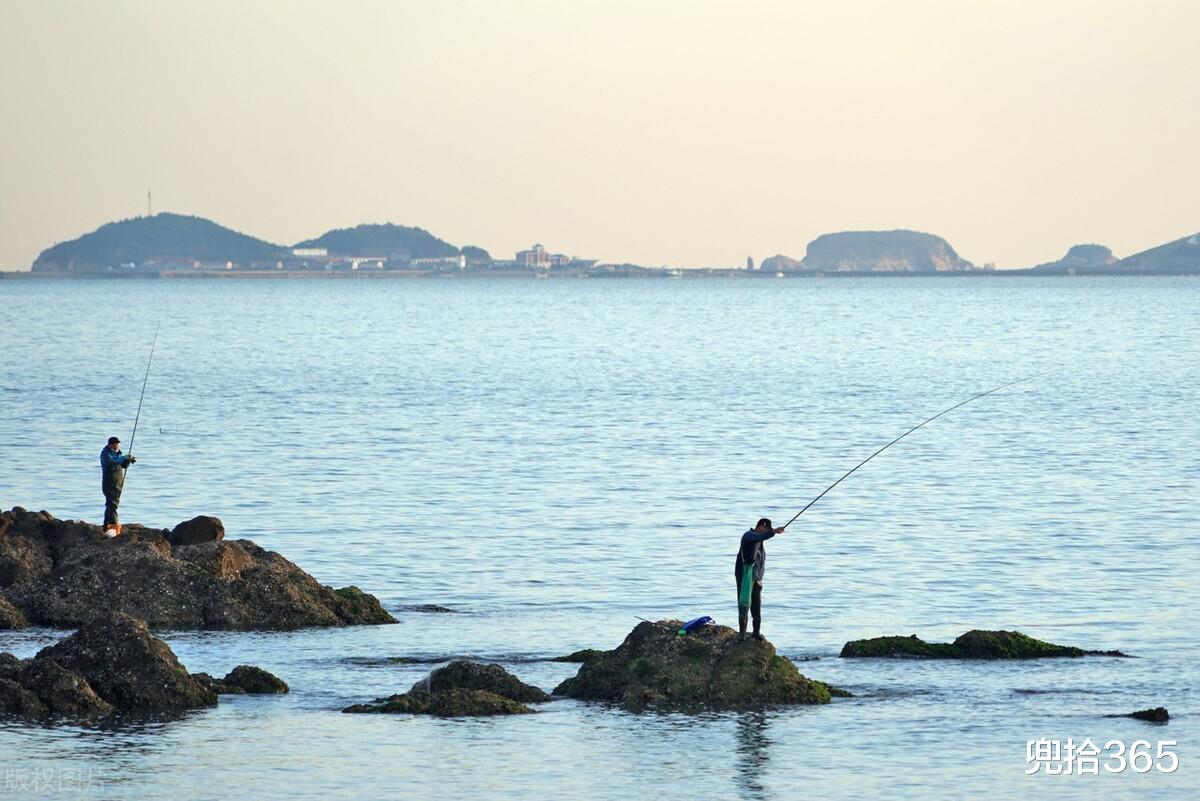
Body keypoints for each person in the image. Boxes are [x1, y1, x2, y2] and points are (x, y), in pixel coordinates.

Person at [735, 517, 786, 640]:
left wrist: (760, 577)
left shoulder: (760, 541)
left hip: (757, 578)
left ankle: (756, 632)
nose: (766, 531)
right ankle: (742, 634)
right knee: (744, 604)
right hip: (745, 576)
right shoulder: (748, 536)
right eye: (766, 529)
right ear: (760, 526)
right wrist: (774, 531)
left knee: (756, 606)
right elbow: (759, 537)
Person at [100, 436, 135, 536]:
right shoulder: (105, 453)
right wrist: (123, 458)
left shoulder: (117, 454)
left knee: (111, 503)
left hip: (118, 483)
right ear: (110, 444)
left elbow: (123, 466)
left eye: (118, 443)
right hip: (110, 483)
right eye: (115, 443)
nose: (117, 445)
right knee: (112, 503)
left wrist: (128, 460)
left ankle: (106, 526)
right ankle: (113, 525)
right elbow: (112, 462)